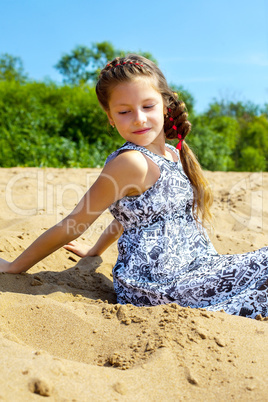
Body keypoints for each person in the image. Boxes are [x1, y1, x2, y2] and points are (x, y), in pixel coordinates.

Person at [0, 54, 267, 319]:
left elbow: (134, 216)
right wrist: (14, 266)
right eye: (125, 112)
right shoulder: (130, 163)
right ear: (111, 117)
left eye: (148, 106)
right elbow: (74, 223)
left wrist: (95, 250)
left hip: (199, 267)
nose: (138, 119)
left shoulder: (174, 155)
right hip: (160, 286)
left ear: (165, 105)